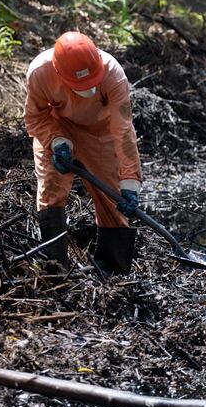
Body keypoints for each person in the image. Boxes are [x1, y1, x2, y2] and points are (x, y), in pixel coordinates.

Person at [24, 31, 143, 275]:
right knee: (51, 188)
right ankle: (55, 267)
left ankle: (113, 267)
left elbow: (123, 130)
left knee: (111, 197)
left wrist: (130, 182)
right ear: (59, 74)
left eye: (92, 82)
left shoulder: (113, 74)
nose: (88, 89)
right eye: (80, 85)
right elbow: (35, 117)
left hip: (99, 131)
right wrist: (56, 141)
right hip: (58, 129)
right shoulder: (40, 72)